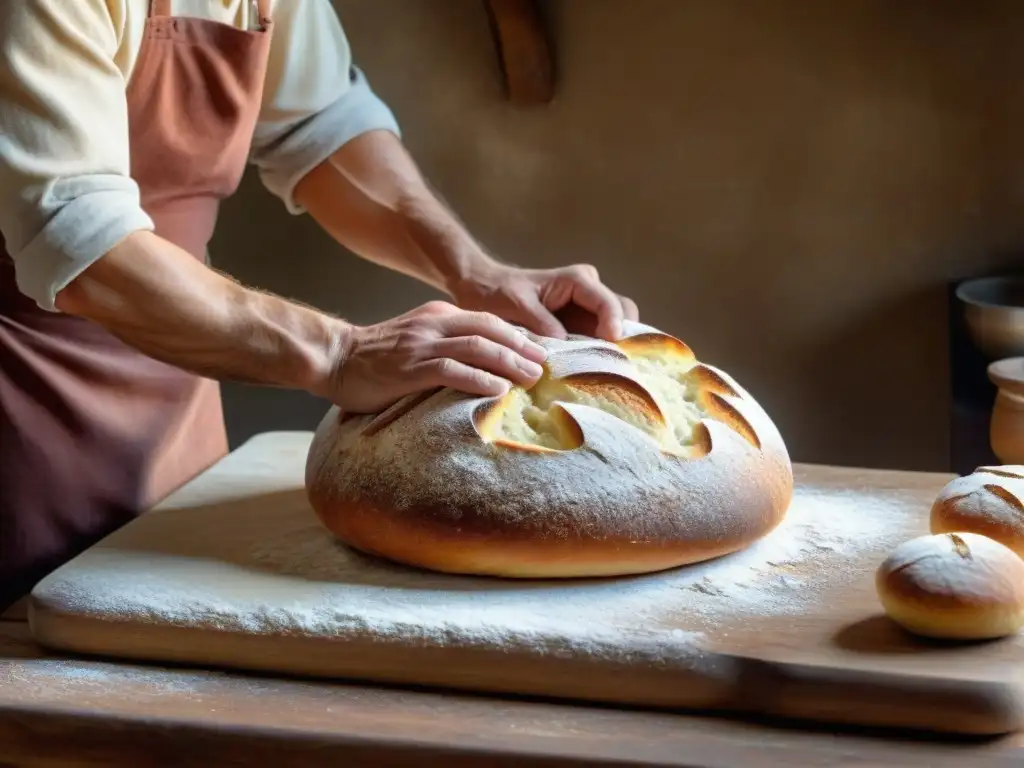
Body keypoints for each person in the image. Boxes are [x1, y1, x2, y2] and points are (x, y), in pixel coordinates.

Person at [0, 0, 638, 612]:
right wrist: (340, 354)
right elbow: (74, 234)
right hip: (26, 405)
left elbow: (321, 129)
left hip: (177, 382)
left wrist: (475, 272)